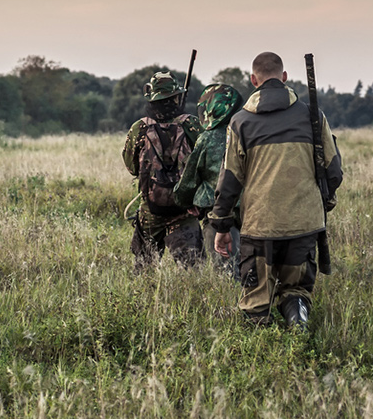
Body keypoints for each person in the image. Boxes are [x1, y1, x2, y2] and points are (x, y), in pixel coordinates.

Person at [209, 52, 342, 329]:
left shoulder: (241, 122)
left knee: (256, 299)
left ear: (253, 80)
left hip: (259, 227)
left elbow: (230, 180)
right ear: (284, 77)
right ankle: (298, 326)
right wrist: (322, 199)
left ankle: (263, 356)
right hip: (304, 224)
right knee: (296, 291)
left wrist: (221, 225)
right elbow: (334, 171)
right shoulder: (313, 116)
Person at [122, 71, 204, 267]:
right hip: (185, 210)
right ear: (176, 97)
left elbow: (132, 167)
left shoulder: (139, 128)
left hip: (151, 210)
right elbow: (204, 162)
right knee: (193, 271)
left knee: (144, 268)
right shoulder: (191, 124)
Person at [172, 82, 245, 275]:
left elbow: (188, 181)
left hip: (219, 216)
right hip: (254, 213)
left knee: (227, 276)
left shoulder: (208, 138)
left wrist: (184, 200)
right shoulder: (249, 132)